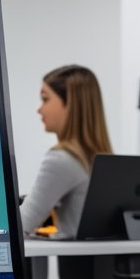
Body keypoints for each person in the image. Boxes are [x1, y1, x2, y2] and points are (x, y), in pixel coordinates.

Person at [19, 64, 114, 238]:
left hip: (74, 263)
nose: (39, 110)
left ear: (70, 103)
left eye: (45, 99)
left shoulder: (62, 160)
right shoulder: (101, 160)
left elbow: (22, 224)